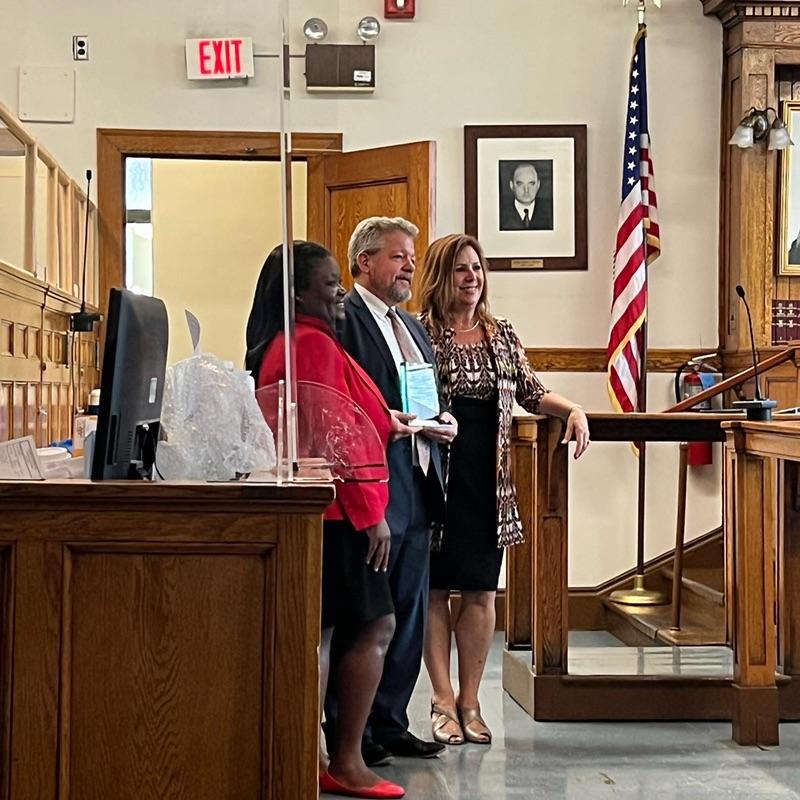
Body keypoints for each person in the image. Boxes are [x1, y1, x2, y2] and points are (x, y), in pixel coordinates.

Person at [245, 241, 405, 800]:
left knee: (324, 633)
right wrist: (371, 515)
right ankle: (347, 761)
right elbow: (332, 436)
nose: (340, 293)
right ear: (298, 294)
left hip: (329, 506)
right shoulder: (308, 343)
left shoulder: (296, 339)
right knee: (373, 627)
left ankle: (310, 756)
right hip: (340, 510)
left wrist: (388, 419)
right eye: (331, 284)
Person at [416, 233, 589, 745]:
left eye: (477, 268)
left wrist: (573, 409)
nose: (471, 278)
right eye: (460, 269)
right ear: (440, 276)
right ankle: (441, 698)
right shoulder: (419, 332)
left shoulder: (501, 333)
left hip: (489, 484)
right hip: (435, 479)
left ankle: (471, 702)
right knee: (433, 591)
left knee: (480, 590)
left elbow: (532, 391)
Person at [327, 217, 457, 763]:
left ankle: (392, 720)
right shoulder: (344, 319)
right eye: (399, 257)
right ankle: (351, 730)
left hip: (421, 477)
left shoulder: (411, 324)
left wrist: (442, 419)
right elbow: (341, 404)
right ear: (365, 262)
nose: (409, 267)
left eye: (411, 258)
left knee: (410, 610)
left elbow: (424, 390)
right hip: (375, 484)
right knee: (368, 615)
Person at [499, 161, 554, 231]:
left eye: (531, 183)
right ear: (511, 185)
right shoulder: (499, 214)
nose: (526, 190)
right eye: (520, 184)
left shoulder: (551, 212)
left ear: (538, 184)